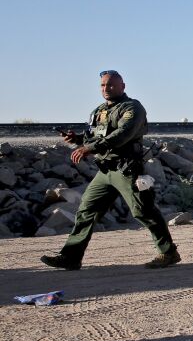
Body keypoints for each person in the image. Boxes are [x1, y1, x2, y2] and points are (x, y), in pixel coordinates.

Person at [40, 70, 181, 270]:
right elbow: (94, 136)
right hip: (105, 171)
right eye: (103, 85)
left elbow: (122, 134)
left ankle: (168, 252)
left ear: (122, 86)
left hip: (127, 169)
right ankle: (70, 257)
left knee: (143, 211)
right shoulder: (99, 111)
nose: (106, 88)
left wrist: (89, 148)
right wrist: (78, 139)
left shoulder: (132, 108)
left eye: (111, 85)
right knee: (87, 210)